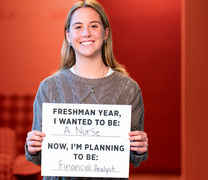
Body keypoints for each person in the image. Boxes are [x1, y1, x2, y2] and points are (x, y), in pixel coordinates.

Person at [25, 0, 148, 179]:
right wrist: (33, 147)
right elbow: (39, 158)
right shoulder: (49, 88)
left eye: (94, 25)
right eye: (78, 27)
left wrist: (139, 149)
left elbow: (132, 157)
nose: (86, 33)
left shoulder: (129, 89)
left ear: (105, 33)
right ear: (68, 36)